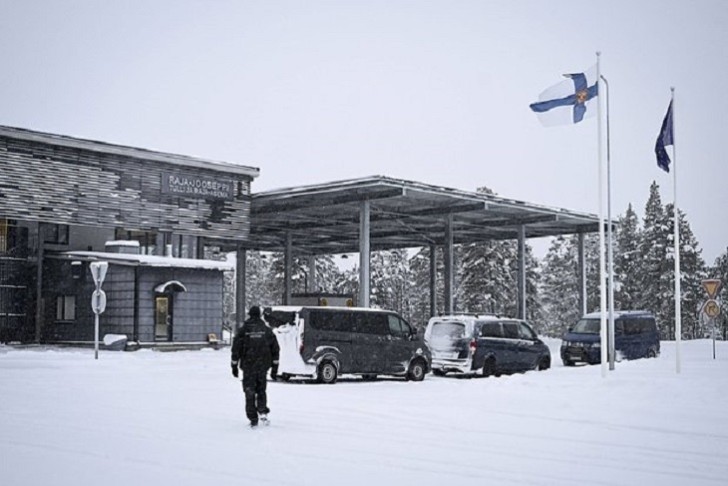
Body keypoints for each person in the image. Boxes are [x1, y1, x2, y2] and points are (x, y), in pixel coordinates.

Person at [231, 306, 280, 428]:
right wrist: (274, 368)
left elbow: (236, 349)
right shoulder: (267, 330)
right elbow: (275, 349)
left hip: (248, 367)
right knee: (261, 390)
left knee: (249, 391)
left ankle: (253, 418)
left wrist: (234, 366)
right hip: (262, 367)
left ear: (250, 315)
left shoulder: (243, 330)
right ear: (259, 315)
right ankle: (262, 411)